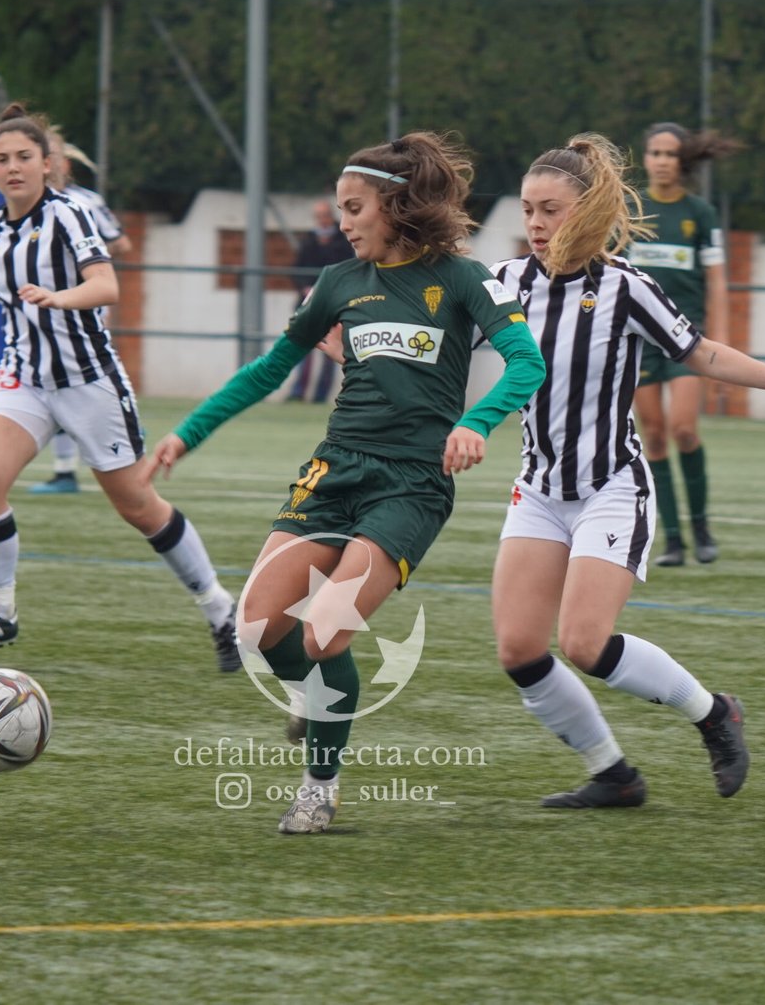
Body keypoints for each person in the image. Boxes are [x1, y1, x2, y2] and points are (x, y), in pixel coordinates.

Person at [143, 132, 546, 833]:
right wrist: (187, 432)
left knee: (326, 632)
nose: (343, 221)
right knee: (257, 624)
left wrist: (476, 423)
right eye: (340, 209)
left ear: (395, 204)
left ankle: (319, 788)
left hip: (411, 485)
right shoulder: (338, 284)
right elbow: (269, 370)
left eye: (354, 207)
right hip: (335, 471)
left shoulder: (460, 277)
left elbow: (525, 362)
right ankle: (318, 694)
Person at [490, 133, 765, 808]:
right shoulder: (504, 285)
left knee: (586, 642)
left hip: (611, 488)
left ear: (588, 213)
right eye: (528, 210)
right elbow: (441, 336)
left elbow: (700, 352)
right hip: (538, 490)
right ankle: (615, 775)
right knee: (518, 649)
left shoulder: (625, 288)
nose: (535, 224)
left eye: (550, 210)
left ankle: (714, 712)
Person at [0, 102, 240, 671]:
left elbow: (106, 284)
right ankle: (0, 611)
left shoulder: (69, 215)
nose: (12, 167)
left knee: (139, 508)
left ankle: (221, 609)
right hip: (23, 379)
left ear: (47, 164)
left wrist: (58, 297)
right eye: (1, 159)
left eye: (23, 156)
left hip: (89, 383)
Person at [628, 122, 741, 567]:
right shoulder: (630, 208)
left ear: (683, 161)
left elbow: (716, 280)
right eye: (654, 152)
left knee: (684, 429)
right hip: (639, 338)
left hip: (685, 336)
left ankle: (701, 527)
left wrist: (723, 340)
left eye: (670, 154)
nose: (661, 161)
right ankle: (673, 540)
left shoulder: (700, 212)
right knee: (653, 436)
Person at [31, 128, 135, 496]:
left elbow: (122, 241)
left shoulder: (85, 203)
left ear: (63, 162)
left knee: (73, 380)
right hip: (41, 308)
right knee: (53, 382)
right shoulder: (27, 205)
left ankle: (115, 432)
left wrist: (89, 259)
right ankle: (66, 469)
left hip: (82, 307)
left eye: (54, 153)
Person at [285, 199, 355, 403]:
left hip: (333, 304)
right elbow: (296, 269)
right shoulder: (308, 240)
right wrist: (306, 287)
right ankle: (298, 391)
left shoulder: (342, 241)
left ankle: (320, 394)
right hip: (308, 303)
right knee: (304, 347)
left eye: (324, 215)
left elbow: (346, 268)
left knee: (329, 349)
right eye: (318, 216)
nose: (322, 220)